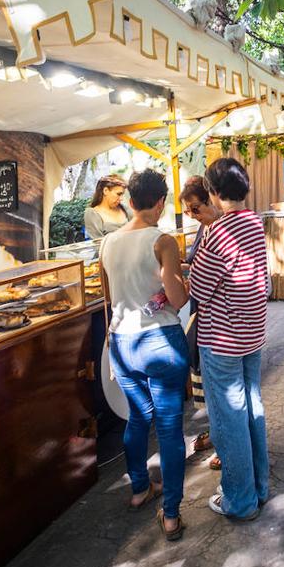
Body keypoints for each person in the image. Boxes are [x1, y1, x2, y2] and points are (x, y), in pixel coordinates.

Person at [98, 170, 190, 538]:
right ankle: (170, 514)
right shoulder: (162, 241)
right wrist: (175, 284)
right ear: (160, 202)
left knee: (137, 418)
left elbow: (108, 297)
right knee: (168, 427)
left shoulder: (107, 243)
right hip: (160, 341)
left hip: (123, 343)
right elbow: (180, 298)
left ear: (130, 201)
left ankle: (140, 489)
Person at [189, 158, 271, 520]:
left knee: (229, 417)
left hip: (222, 336)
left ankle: (240, 500)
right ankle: (258, 486)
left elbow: (199, 289)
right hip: (252, 333)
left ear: (214, 191)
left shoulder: (218, 232)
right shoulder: (253, 221)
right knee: (251, 408)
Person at [180, 176, 222, 469]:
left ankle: (225, 442)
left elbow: (207, 280)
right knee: (204, 377)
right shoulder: (204, 230)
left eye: (195, 209)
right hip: (204, 317)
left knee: (222, 388)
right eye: (189, 211)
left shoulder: (219, 232)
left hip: (218, 323)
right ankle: (217, 432)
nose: (193, 215)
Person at [84, 174, 131, 239]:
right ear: (105, 191)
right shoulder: (92, 214)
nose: (121, 198)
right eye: (118, 194)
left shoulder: (125, 209)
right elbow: (97, 244)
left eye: (122, 194)